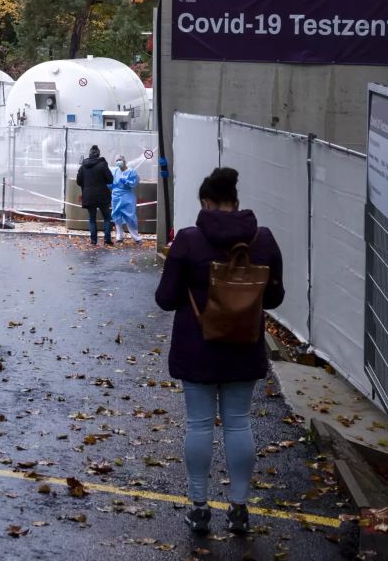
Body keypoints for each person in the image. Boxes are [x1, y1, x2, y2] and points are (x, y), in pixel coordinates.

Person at [154, 167, 285, 535]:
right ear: (236, 201)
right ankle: (240, 509)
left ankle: (199, 508)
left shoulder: (189, 241)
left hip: (198, 347)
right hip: (244, 346)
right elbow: (274, 297)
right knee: (239, 423)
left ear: (206, 202)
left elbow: (165, 300)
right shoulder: (264, 240)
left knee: (198, 425)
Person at [76, 145, 114, 246]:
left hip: (89, 196)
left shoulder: (83, 166)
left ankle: (93, 241)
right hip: (102, 196)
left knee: (92, 219)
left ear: (89, 154)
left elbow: (78, 181)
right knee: (106, 218)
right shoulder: (102, 165)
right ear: (98, 154)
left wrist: (87, 185)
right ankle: (107, 240)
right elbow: (110, 179)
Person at [110, 155, 143, 244]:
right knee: (117, 216)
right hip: (116, 196)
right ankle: (119, 236)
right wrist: (112, 186)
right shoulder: (115, 171)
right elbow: (111, 183)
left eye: (120, 159)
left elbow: (135, 183)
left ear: (124, 160)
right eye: (116, 160)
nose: (118, 161)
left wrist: (127, 182)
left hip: (127, 196)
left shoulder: (131, 171)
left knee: (130, 216)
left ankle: (136, 237)